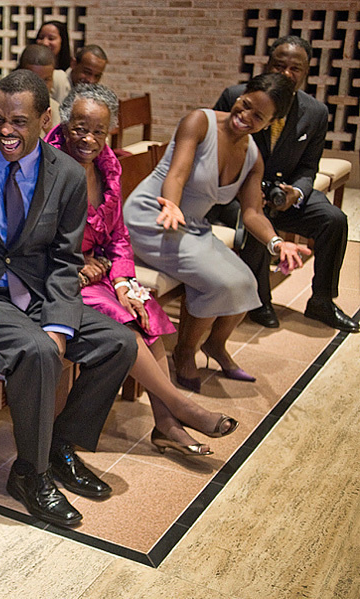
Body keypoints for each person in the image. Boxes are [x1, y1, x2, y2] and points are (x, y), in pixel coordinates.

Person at [0, 70, 138, 527]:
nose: (6, 130)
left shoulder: (65, 173)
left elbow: (64, 259)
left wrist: (61, 321)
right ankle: (31, 472)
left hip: (37, 290)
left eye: (19, 121)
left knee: (118, 344)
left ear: (46, 119)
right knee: (39, 350)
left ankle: (58, 447)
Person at [45, 84, 239, 456]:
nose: (88, 138)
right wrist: (80, 266)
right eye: (80, 127)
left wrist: (121, 279)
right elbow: (34, 239)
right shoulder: (46, 164)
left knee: (143, 307)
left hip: (101, 270)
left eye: (98, 131)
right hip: (61, 276)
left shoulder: (108, 165)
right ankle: (181, 409)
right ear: (63, 122)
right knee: (121, 320)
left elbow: (118, 233)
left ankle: (166, 424)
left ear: (110, 132)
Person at [123, 73, 309, 393]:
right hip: (154, 218)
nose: (245, 117)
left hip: (192, 227)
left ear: (269, 123)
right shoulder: (200, 122)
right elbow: (177, 174)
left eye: (257, 116)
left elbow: (252, 212)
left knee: (247, 280)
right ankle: (184, 353)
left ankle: (215, 345)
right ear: (241, 94)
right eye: (245, 104)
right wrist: (170, 205)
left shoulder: (253, 157)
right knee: (218, 282)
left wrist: (277, 242)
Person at [213, 36, 357, 333]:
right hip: (238, 194)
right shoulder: (238, 97)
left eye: (295, 68)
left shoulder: (315, 112)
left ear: (305, 72)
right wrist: (245, 190)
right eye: (279, 65)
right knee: (254, 220)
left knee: (334, 219)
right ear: (267, 65)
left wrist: (297, 192)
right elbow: (216, 150)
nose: (286, 74)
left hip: (284, 194)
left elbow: (308, 167)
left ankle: (322, 301)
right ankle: (259, 299)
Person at [0, 44, 61, 136]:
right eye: (33, 78)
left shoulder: (56, 111)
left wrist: (49, 132)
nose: (40, 85)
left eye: (46, 80)